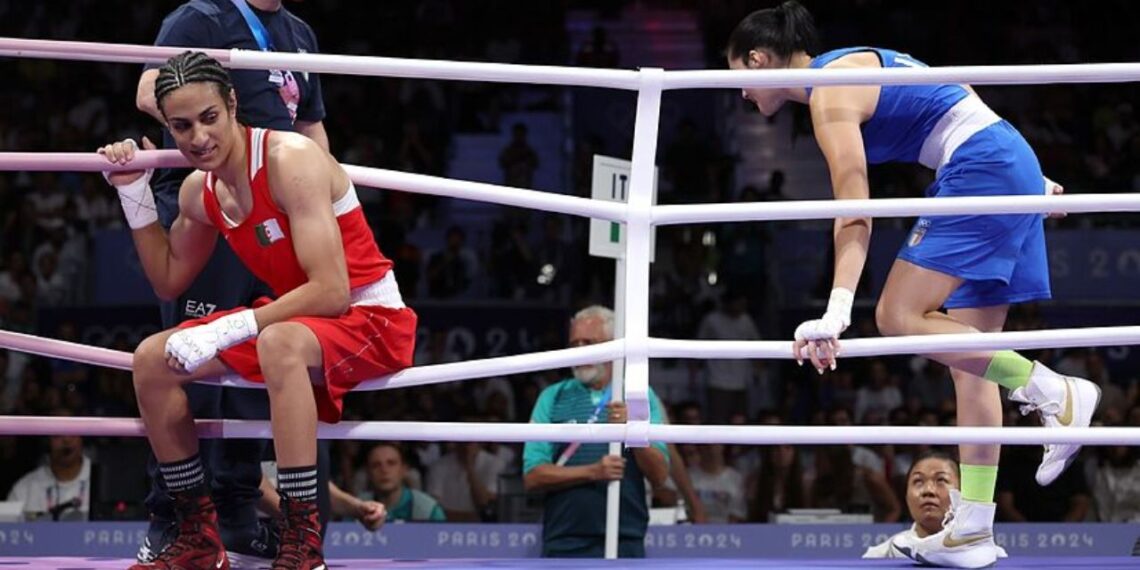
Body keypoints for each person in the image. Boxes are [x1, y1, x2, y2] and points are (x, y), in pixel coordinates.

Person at [725, 2, 1100, 567]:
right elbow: (953, 92)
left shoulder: (829, 91)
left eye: (738, 79)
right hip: (995, 158)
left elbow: (855, 210)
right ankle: (973, 526)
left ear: (756, 60)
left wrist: (837, 308)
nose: (742, 95)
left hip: (984, 166)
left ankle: (1052, 390)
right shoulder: (849, 65)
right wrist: (1025, 171)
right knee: (968, 359)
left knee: (897, 316)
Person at [99, 51, 416, 570]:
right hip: (294, 320)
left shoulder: (291, 160)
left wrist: (230, 326)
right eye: (181, 126)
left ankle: (301, 543)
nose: (198, 137)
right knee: (152, 361)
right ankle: (196, 535)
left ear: (231, 104)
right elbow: (168, 278)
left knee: (278, 340)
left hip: (368, 317)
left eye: (208, 118)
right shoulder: (201, 191)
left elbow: (333, 290)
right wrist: (132, 193)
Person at [134, 1, 330, 566]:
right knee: (191, 359)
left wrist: (329, 197)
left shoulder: (299, 31)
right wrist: (210, 128)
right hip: (213, 199)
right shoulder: (199, 17)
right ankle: (174, 520)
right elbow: (151, 88)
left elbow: (310, 123)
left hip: (276, 205)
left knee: (261, 364)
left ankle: (240, 515)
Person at [523, 305, 670, 558]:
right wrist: (592, 472)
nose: (580, 351)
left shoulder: (639, 395)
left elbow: (659, 475)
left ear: (613, 347)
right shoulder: (552, 397)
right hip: (563, 539)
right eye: (575, 344)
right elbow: (533, 476)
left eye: (589, 343)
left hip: (626, 537)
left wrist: (632, 430)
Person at [866, 451, 1008, 560]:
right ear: (906, 495)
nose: (928, 491)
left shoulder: (991, 557)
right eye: (918, 481)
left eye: (941, 480)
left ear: (961, 493)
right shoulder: (880, 556)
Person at [5, 433, 91, 521]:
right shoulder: (23, 489)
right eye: (58, 434)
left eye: (73, 432)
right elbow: (6, 530)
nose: (67, 440)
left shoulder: (102, 482)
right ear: (47, 441)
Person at [358, 442, 446, 522]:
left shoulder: (428, 510)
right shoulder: (357, 507)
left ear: (404, 469)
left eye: (391, 463)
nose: (384, 470)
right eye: (376, 465)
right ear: (368, 472)